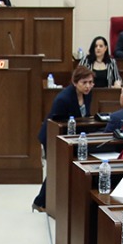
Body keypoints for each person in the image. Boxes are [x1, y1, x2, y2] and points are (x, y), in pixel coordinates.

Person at [32, 65, 96, 212]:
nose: (88, 86)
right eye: (84, 83)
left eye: (90, 82)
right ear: (75, 82)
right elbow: (55, 124)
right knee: (56, 169)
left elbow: (85, 116)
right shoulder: (63, 99)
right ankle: (40, 202)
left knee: (63, 169)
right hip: (52, 136)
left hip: (71, 137)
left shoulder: (88, 94)